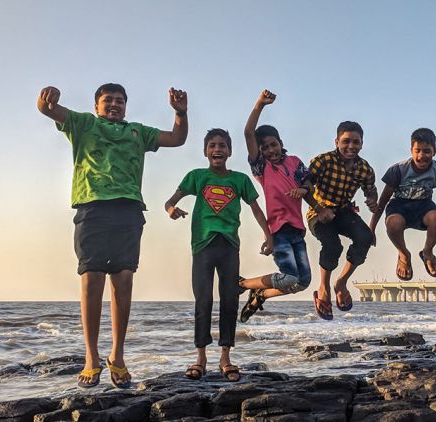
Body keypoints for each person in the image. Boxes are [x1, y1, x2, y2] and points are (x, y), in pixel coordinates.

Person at [37, 84, 188, 388]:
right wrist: (47, 98)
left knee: (123, 279)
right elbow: (48, 110)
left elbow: (177, 138)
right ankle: (91, 356)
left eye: (120, 101)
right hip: (91, 207)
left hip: (129, 209)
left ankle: (117, 356)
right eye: (108, 101)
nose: (115, 105)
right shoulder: (83, 123)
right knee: (91, 278)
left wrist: (180, 112)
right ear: (97, 106)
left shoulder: (137, 131)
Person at [164, 129, 272, 382]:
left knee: (229, 301)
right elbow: (170, 200)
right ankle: (200, 357)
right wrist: (171, 209)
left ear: (230, 151)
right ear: (205, 151)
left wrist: (269, 235)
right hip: (202, 245)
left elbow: (256, 210)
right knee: (202, 301)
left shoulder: (240, 180)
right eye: (212, 145)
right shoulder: (197, 177)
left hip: (229, 245)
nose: (217, 150)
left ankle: (225, 357)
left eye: (222, 145)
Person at [236, 90, 313, 322]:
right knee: (289, 277)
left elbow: (309, 179)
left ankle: (260, 295)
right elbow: (248, 132)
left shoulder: (294, 162)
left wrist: (305, 190)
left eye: (273, 145)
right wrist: (260, 104)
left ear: (281, 143)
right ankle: (242, 283)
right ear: (260, 152)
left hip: (297, 230)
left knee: (303, 282)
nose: (271, 150)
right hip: (278, 230)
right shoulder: (262, 169)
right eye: (265, 148)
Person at [308, 121, 380, 320]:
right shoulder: (322, 161)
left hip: (343, 211)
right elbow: (305, 187)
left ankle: (341, 283)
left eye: (356, 142)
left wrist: (372, 201)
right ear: (337, 141)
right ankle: (323, 288)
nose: (351, 146)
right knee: (333, 246)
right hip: (318, 212)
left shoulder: (365, 169)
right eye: (346, 141)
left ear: (362, 144)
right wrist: (319, 209)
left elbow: (370, 190)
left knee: (366, 237)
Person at [369, 128, 436, 280]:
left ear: (434, 151)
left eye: (427, 151)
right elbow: (382, 202)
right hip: (399, 206)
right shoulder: (398, 170)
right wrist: (371, 229)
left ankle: (427, 253)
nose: (421, 156)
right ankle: (404, 254)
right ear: (411, 150)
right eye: (417, 150)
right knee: (393, 222)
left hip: (423, 207)